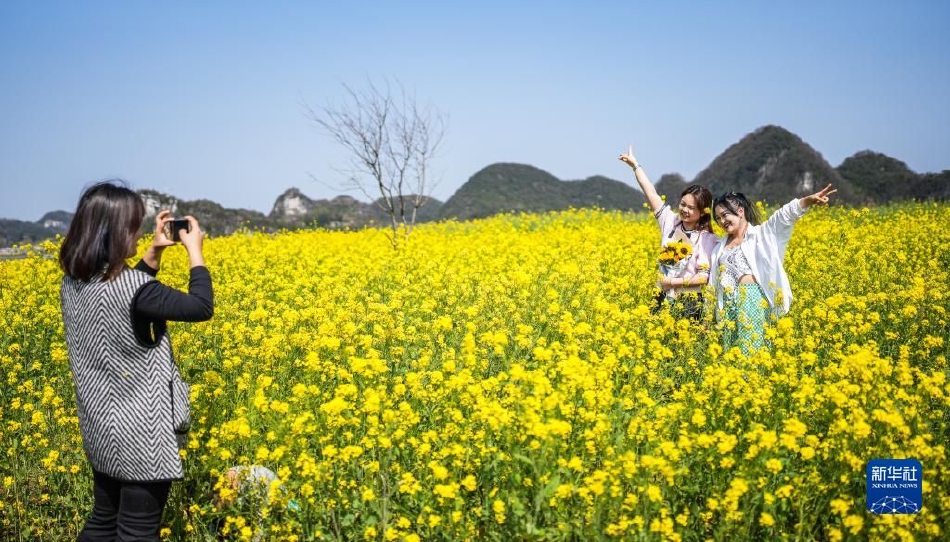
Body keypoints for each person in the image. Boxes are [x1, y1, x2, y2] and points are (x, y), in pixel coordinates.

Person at [59, 180, 213, 541]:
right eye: (133, 225)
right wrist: (195, 252)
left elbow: (123, 303)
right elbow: (201, 307)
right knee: (137, 532)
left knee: (102, 520)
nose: (139, 231)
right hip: (143, 433)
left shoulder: (74, 283)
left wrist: (153, 255)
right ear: (113, 232)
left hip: (101, 427)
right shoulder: (135, 290)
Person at [709, 185, 836, 354]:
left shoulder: (763, 234)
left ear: (740, 211)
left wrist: (806, 201)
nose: (722, 221)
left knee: (751, 351)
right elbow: (713, 282)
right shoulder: (719, 247)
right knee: (731, 352)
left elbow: (784, 216)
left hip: (753, 300)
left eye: (725, 215)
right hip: (726, 303)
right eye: (717, 218)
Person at [619, 148, 717, 320]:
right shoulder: (669, 222)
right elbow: (650, 193)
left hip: (689, 301)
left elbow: (704, 277)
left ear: (703, 212)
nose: (685, 210)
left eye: (691, 208)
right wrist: (635, 166)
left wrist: (672, 283)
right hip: (661, 295)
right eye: (683, 204)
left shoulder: (706, 238)